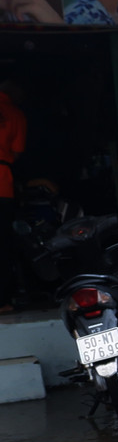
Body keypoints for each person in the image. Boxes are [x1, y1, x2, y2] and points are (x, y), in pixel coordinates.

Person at [0, 81, 27, 313]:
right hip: (2, 184)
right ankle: (2, 301)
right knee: (2, 243)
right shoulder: (15, 114)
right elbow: (17, 152)